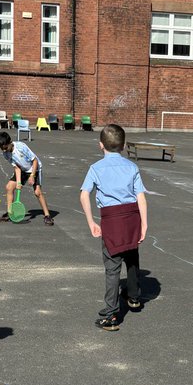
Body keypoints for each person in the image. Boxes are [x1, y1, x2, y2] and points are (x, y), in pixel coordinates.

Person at [79, 123, 148, 331]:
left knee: (112, 266)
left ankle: (110, 314)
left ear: (101, 145)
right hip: (132, 216)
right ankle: (134, 296)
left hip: (111, 219)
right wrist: (144, 223)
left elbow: (84, 194)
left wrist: (91, 221)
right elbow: (141, 196)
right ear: (124, 145)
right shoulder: (132, 167)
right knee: (132, 255)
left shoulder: (96, 168)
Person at [0, 131, 54, 225]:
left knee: (37, 192)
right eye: (2, 149)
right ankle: (10, 213)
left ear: (10, 142)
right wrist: (19, 182)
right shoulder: (5, 153)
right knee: (9, 187)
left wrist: (32, 176)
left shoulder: (21, 147)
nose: (4, 150)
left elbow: (34, 160)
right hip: (22, 169)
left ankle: (47, 216)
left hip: (35, 168)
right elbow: (16, 167)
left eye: (6, 148)